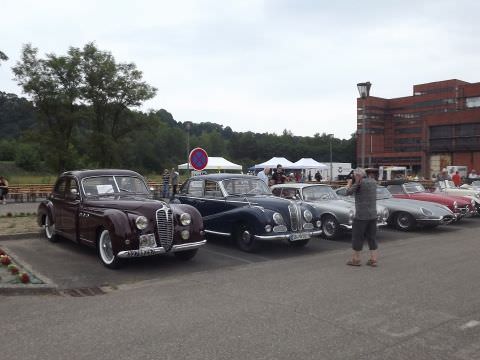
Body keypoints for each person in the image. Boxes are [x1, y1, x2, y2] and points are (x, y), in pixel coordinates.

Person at [345, 168, 378, 267]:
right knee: (372, 237)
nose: (354, 177)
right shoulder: (373, 182)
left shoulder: (359, 183)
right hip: (373, 215)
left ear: (358, 176)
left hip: (361, 216)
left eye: (355, 175)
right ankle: (373, 259)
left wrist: (349, 183)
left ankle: (356, 260)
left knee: (357, 237)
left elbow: (347, 192)